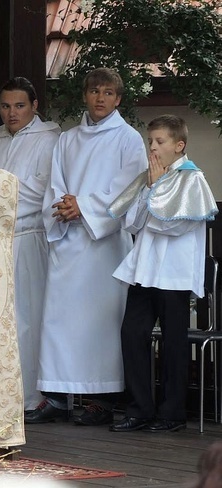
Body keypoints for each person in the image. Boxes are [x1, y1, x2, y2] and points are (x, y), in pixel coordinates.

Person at [25, 68, 147, 426]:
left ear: (118, 99)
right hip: (68, 240)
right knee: (59, 320)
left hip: (104, 245)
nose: (100, 98)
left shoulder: (129, 139)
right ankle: (58, 397)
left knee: (100, 323)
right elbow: (55, 181)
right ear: (85, 95)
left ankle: (102, 399)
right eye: (95, 91)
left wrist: (87, 207)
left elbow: (130, 188)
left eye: (108, 93)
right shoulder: (68, 138)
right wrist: (65, 206)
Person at [108, 115, 217, 433]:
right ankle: (140, 408)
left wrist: (154, 191)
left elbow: (176, 225)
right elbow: (130, 222)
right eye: (150, 141)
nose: (152, 147)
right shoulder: (149, 177)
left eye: (160, 141)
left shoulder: (192, 178)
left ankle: (171, 414)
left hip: (173, 275)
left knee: (173, 343)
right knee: (132, 335)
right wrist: (149, 190)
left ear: (179, 145)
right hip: (144, 271)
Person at [0, 77, 61, 412]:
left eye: (19, 106)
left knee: (27, 318)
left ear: (35, 105)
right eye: (5, 106)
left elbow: (42, 190)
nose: (11, 113)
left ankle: (32, 397)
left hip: (28, 238)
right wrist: (0, 191)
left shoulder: (51, 139)